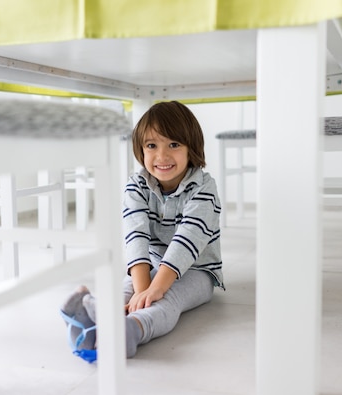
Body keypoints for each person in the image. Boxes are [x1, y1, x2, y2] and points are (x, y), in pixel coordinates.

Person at [60, 101, 225, 362]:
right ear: (140, 149)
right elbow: (135, 236)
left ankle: (132, 331)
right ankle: (91, 330)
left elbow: (187, 241)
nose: (162, 156)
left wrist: (156, 289)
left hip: (197, 270)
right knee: (127, 293)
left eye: (174, 144)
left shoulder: (203, 188)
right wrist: (141, 289)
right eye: (152, 146)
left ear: (191, 147)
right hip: (152, 264)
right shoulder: (136, 185)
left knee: (167, 299)